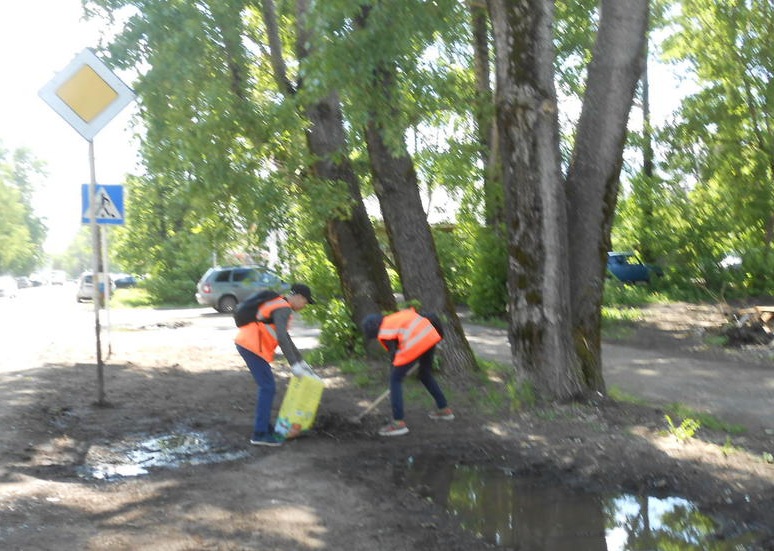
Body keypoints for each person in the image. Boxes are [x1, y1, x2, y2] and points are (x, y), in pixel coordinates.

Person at [235, 283, 317, 446]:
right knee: (268, 387)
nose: (304, 306)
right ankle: (259, 434)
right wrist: (294, 365)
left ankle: (264, 427)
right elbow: (281, 337)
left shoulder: (279, 303)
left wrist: (300, 361)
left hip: (249, 344)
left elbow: (285, 337)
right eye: (306, 302)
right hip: (251, 347)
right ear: (299, 297)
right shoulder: (284, 308)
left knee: (267, 387)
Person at [361, 307, 454, 436]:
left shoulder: (385, 331)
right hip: (429, 335)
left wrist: (397, 372)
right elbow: (427, 318)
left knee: (395, 379)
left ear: (373, 330)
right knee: (424, 374)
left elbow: (395, 356)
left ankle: (398, 424)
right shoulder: (393, 319)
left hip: (419, 340)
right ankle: (444, 409)